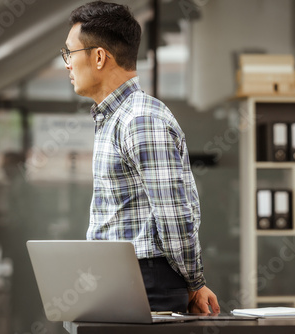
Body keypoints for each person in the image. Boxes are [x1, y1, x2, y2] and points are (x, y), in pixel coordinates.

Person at [63, 1, 219, 313]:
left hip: (145, 282)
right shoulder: (115, 117)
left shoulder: (140, 119)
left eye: (70, 53)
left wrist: (195, 281)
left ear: (98, 57)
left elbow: (174, 215)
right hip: (120, 277)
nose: (66, 64)